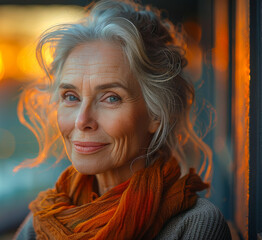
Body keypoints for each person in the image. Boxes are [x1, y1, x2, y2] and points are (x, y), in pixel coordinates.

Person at [14, 0, 231, 239]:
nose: (81, 120)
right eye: (71, 96)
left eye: (111, 98)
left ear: (156, 114)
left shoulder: (194, 226)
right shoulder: (43, 220)